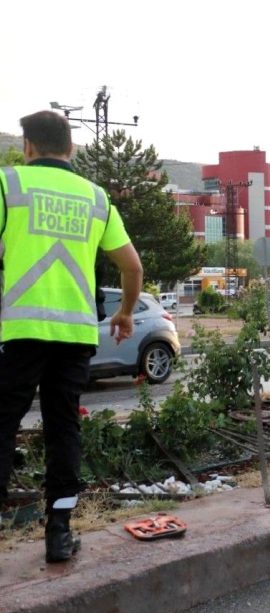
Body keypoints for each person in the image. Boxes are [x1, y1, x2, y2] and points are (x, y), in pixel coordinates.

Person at [0, 110, 144, 562]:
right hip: (76, 335)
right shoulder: (96, 199)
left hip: (19, 331)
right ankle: (59, 533)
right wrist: (123, 313)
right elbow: (133, 267)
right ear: (72, 148)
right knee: (64, 427)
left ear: (27, 146)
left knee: (3, 424)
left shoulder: (9, 186)